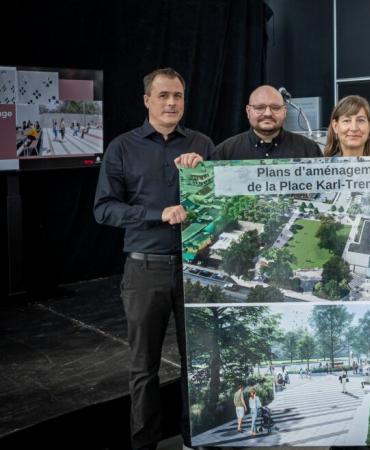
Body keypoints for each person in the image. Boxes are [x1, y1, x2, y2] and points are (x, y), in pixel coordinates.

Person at [93, 67, 213, 450]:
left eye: (178, 95)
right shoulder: (122, 147)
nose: (172, 103)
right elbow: (104, 209)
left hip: (197, 269)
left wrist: (205, 174)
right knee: (144, 368)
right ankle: (144, 445)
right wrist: (156, 213)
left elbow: (220, 204)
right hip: (145, 270)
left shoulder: (202, 144)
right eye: (163, 96)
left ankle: (195, 440)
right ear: (147, 100)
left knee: (198, 365)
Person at [212, 85, 322, 160]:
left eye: (275, 107)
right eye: (260, 107)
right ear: (248, 111)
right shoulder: (224, 153)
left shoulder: (309, 149)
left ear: (284, 111)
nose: (268, 113)